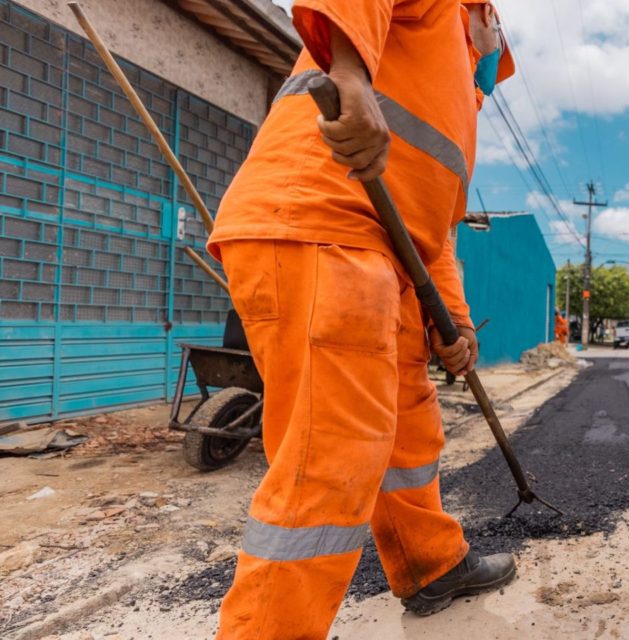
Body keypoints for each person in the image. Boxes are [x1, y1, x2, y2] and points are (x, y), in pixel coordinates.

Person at [204, 1, 516, 637]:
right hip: (322, 223)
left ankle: (431, 564)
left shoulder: (455, 102)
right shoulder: (433, 18)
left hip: (387, 260)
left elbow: (437, 234)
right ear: (481, 17)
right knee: (333, 454)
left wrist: (454, 325)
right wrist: (349, 72)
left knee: (408, 432)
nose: (494, 58)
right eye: (495, 46)